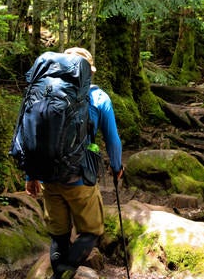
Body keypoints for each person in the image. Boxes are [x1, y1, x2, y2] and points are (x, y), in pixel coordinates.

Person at [25, 47, 123, 279]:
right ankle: (64, 274)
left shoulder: (45, 92)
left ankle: (59, 273)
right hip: (79, 177)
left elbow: (31, 134)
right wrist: (116, 167)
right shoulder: (99, 97)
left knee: (58, 236)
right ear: (89, 71)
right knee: (90, 231)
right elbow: (113, 140)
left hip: (48, 176)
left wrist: (31, 175)